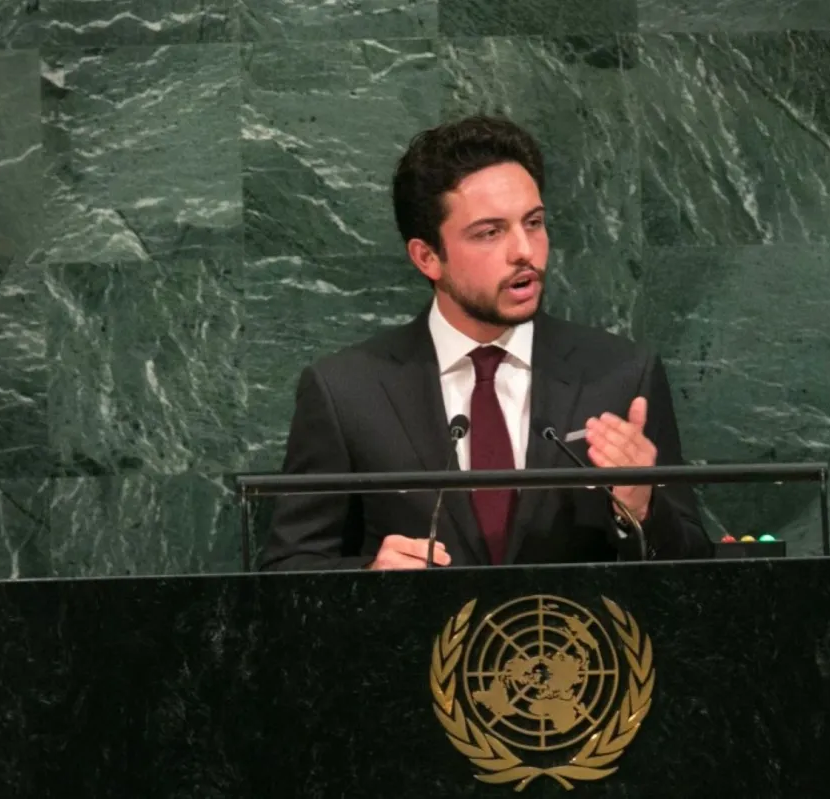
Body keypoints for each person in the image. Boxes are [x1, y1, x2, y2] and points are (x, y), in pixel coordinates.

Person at [258, 115, 711, 571]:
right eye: (490, 232)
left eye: (533, 223)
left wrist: (643, 509)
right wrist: (367, 579)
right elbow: (288, 567)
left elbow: (697, 568)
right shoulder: (346, 392)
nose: (524, 251)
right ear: (427, 256)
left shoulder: (620, 375)